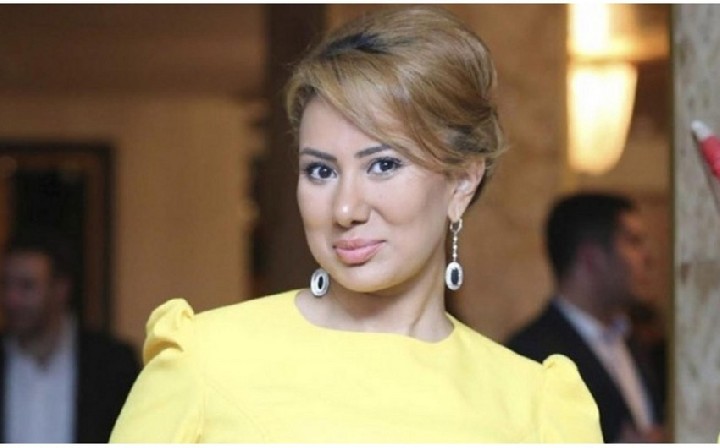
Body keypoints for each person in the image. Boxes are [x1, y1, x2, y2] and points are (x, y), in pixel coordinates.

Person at [110, 6, 602, 443]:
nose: (345, 209)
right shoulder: (205, 359)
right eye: (321, 171)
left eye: (382, 165)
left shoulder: (535, 406)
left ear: (461, 183)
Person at [506, 192, 667, 443]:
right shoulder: (529, 356)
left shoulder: (634, 341)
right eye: (633, 242)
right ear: (591, 258)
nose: (648, 258)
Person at [0, 228, 140, 443]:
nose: (12, 299)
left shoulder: (112, 364)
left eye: (26, 286)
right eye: (5, 285)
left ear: (61, 289)